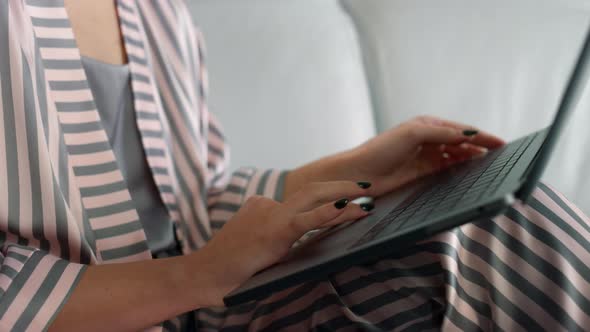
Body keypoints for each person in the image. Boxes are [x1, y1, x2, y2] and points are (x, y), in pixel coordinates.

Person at [0, 0, 588, 331]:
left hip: (201, 312)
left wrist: (363, 171)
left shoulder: (156, 12)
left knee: (490, 224)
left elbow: (196, 198)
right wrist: (197, 276)